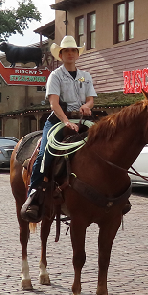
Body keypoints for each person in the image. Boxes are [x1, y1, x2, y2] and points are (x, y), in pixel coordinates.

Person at [20, 35, 97, 222]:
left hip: (82, 118)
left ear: (77, 54)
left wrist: (88, 106)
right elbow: (54, 103)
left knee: (103, 144)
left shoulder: (85, 76)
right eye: (66, 51)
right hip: (57, 120)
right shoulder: (55, 75)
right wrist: (65, 121)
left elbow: (91, 99)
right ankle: (34, 193)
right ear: (60, 55)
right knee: (45, 152)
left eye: (73, 51)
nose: (70, 54)